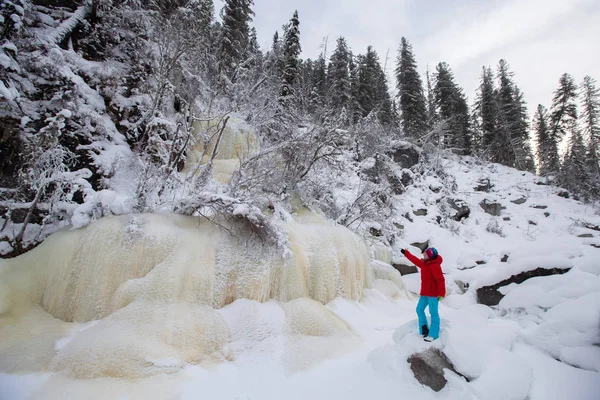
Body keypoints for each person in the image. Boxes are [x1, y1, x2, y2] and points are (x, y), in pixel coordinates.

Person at [401, 247, 446, 341]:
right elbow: (415, 260)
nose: (423, 254)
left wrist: (441, 293)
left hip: (433, 295)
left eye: (425, 254)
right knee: (419, 309)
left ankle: (433, 334)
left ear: (430, 256)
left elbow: (440, 280)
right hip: (424, 293)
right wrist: (406, 253)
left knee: (433, 313)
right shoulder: (425, 264)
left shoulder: (435, 266)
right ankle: (424, 329)